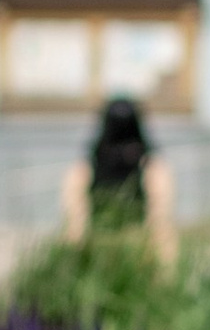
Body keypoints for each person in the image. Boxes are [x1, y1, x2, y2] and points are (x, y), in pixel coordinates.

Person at [59, 93, 177, 263]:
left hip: (103, 250)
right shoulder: (153, 168)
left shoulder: (84, 169)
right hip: (132, 251)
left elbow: (74, 224)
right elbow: (161, 221)